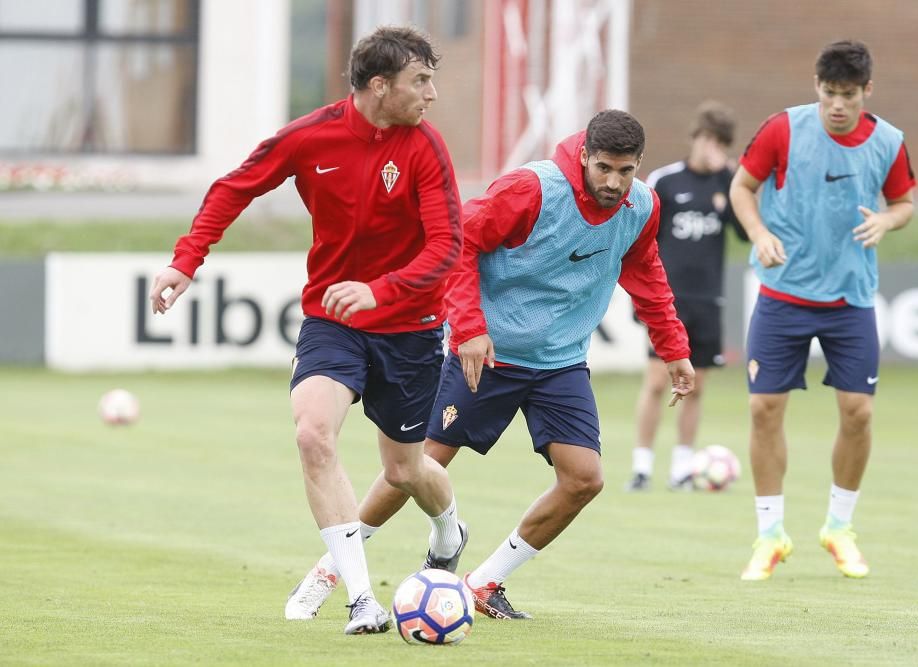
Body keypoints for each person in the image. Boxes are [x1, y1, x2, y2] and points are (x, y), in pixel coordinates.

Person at [289, 109, 695, 620]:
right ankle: (331, 570)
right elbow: (457, 246)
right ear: (586, 155)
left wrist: (674, 348)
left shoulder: (641, 206)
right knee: (413, 468)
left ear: (639, 165)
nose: (614, 183)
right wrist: (470, 329)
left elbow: (646, 272)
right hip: (486, 353)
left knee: (584, 479)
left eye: (626, 171)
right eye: (605, 169)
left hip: (560, 363)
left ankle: (483, 583)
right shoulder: (531, 190)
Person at [147, 26, 467, 634]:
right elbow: (232, 188)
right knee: (313, 436)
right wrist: (185, 259)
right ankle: (362, 599)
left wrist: (382, 289)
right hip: (333, 320)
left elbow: (447, 246)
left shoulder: (426, 148)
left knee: (405, 471)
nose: (431, 93)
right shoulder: (309, 136)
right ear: (380, 85)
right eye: (420, 81)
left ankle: (448, 532)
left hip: (412, 327)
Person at [729, 40, 915, 581]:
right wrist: (759, 231)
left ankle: (839, 526)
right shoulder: (783, 129)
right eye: (829, 93)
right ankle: (770, 535)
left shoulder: (888, 142)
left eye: (848, 95)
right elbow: (743, 188)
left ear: (867, 92)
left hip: (849, 299)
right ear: (817, 86)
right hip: (783, 294)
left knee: (858, 411)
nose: (837, 104)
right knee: (764, 410)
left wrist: (888, 220)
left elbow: (904, 203)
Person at [627, 100, 748, 492]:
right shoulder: (665, 181)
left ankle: (681, 468)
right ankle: (642, 467)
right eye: (710, 140)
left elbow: (745, 233)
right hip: (668, 303)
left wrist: (731, 179)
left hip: (709, 301)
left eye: (723, 144)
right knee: (657, 382)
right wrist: (641, 299)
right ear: (696, 137)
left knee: (694, 386)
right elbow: (641, 241)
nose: (714, 149)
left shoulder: (726, 186)